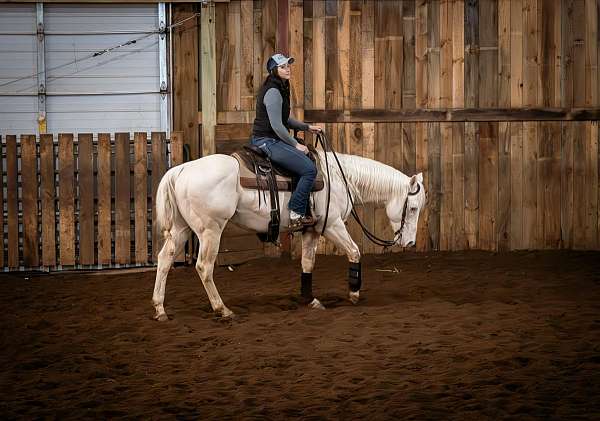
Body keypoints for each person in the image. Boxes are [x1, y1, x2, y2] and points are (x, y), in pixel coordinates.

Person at [251, 53, 323, 231]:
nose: (287, 68)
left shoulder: (281, 87)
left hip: (272, 138)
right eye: (283, 67)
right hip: (266, 141)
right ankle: (296, 211)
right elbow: (277, 126)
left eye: (288, 65)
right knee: (309, 169)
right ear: (274, 70)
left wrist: (307, 127)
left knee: (304, 162)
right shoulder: (274, 91)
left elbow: (285, 119)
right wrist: (295, 144)